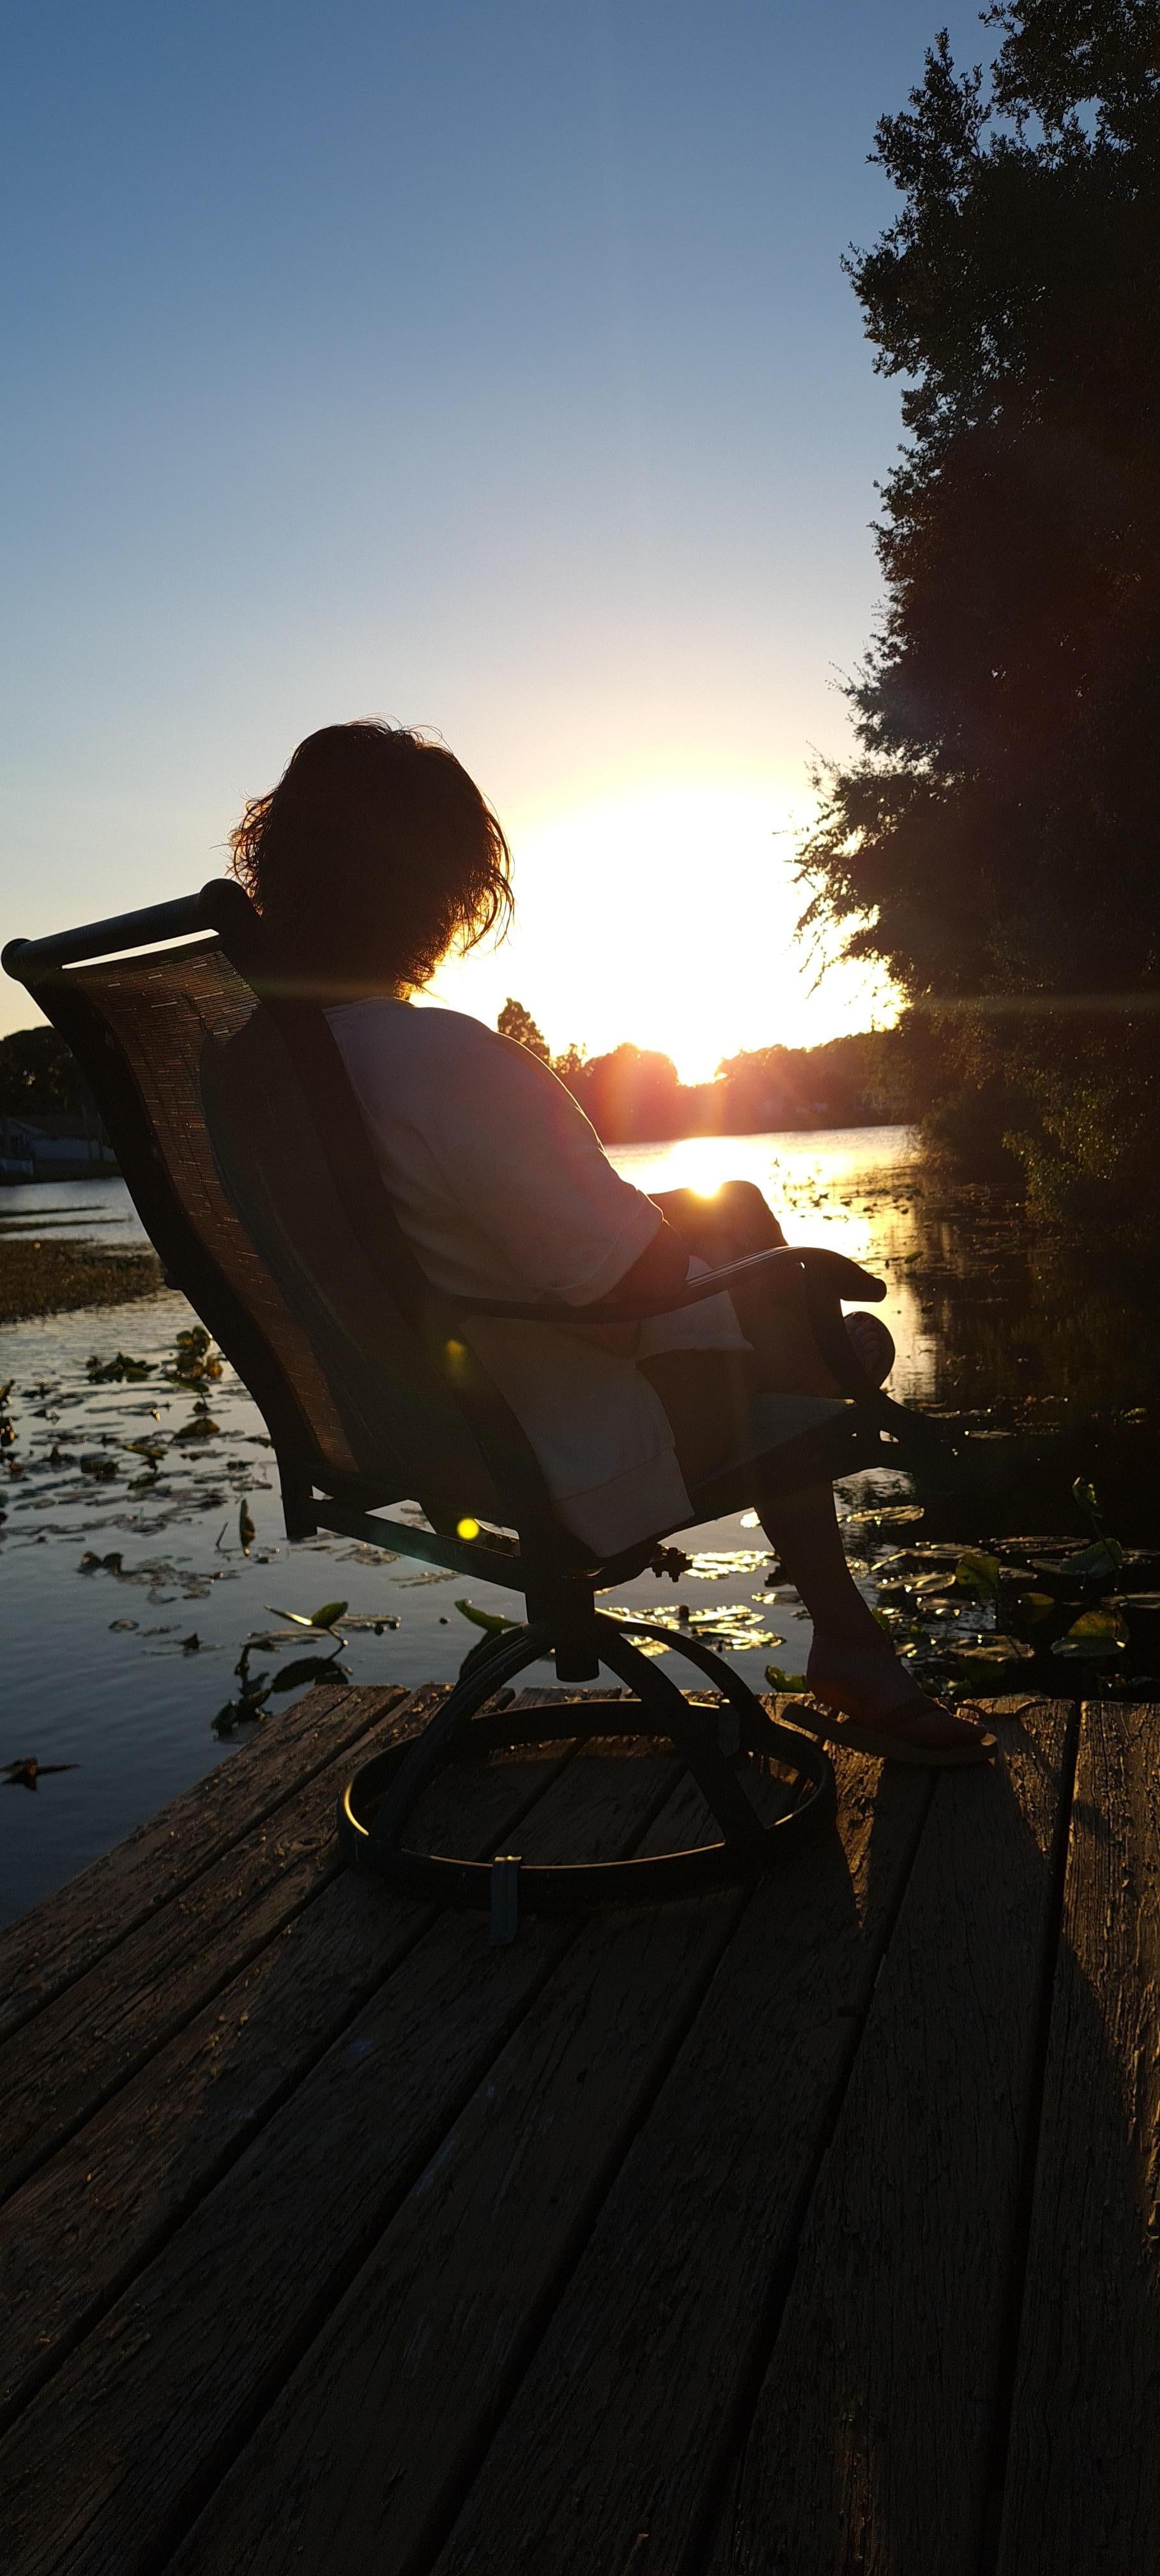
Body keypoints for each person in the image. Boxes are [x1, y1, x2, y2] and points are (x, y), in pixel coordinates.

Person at [229, 719, 991, 1765]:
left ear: (275, 870)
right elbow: (633, 1283)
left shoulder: (242, 1079)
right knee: (779, 1280)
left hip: (407, 1435)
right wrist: (760, 1286)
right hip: (558, 1453)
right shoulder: (439, 1057)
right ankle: (835, 1478)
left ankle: (830, 1485)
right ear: (445, 891)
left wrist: (684, 1224)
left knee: (725, 1207)